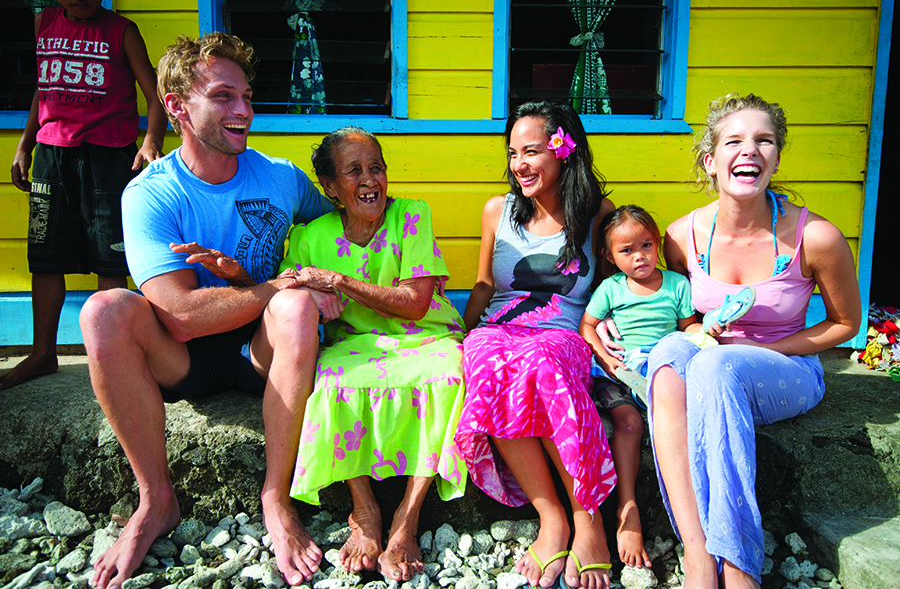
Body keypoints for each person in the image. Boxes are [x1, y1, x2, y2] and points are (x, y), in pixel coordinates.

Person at [77, 32, 338, 589]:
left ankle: (276, 497)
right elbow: (177, 315)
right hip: (182, 359)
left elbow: (343, 234)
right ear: (177, 107)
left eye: (246, 95)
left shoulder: (282, 178)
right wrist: (276, 284)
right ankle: (156, 499)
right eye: (222, 96)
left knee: (295, 309)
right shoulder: (150, 192)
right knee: (102, 311)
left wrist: (343, 284)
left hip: (261, 353)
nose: (243, 109)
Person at [646, 94, 861, 588]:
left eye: (764, 140)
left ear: (777, 158)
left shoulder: (816, 236)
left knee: (716, 368)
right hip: (712, 360)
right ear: (711, 160)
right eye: (734, 141)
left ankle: (740, 565)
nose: (751, 151)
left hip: (785, 366)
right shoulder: (682, 236)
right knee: (667, 355)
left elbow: (844, 324)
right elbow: (682, 315)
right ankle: (698, 552)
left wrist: (762, 352)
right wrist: (607, 322)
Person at [276, 127, 468, 581]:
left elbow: (416, 302)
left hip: (426, 336)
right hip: (354, 346)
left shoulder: (411, 216)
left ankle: (407, 515)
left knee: (451, 375)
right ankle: (364, 510)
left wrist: (339, 283)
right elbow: (285, 291)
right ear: (330, 188)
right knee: (328, 382)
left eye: (376, 168)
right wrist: (244, 277)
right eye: (354, 171)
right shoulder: (309, 236)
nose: (370, 180)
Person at [455, 100, 618, 589]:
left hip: (563, 336)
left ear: (563, 149)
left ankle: (588, 516)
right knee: (488, 362)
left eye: (530, 151)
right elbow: (484, 285)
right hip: (498, 331)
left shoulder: (597, 214)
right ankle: (554, 517)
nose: (518, 164)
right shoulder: (496, 211)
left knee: (539, 361)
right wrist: (462, 333)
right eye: (511, 154)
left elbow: (613, 288)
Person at [3, 0, 167, 390]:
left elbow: (155, 96)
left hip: (110, 157)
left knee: (110, 260)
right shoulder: (45, 23)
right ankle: (42, 353)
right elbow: (43, 90)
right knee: (44, 256)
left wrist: (150, 141)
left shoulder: (122, 31)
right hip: (52, 154)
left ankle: (110, 359)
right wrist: (26, 144)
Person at [578, 204, 699, 569]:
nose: (639, 257)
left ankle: (693, 513)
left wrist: (705, 336)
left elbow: (689, 326)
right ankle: (627, 506)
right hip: (619, 376)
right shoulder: (611, 289)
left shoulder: (677, 286)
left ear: (657, 244)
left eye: (646, 245)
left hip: (662, 375)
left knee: (684, 423)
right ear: (610, 257)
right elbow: (587, 325)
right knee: (629, 423)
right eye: (626, 251)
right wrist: (604, 358)